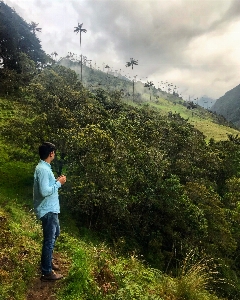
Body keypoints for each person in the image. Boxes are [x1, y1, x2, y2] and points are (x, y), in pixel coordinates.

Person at [33, 142, 66, 281]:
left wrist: (55, 181)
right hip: (48, 210)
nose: (55, 154)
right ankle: (47, 272)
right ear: (51, 153)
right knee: (49, 240)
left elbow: (46, 186)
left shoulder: (44, 168)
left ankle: (48, 261)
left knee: (55, 234)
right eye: (54, 152)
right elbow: (44, 191)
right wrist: (59, 183)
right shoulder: (43, 169)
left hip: (51, 209)